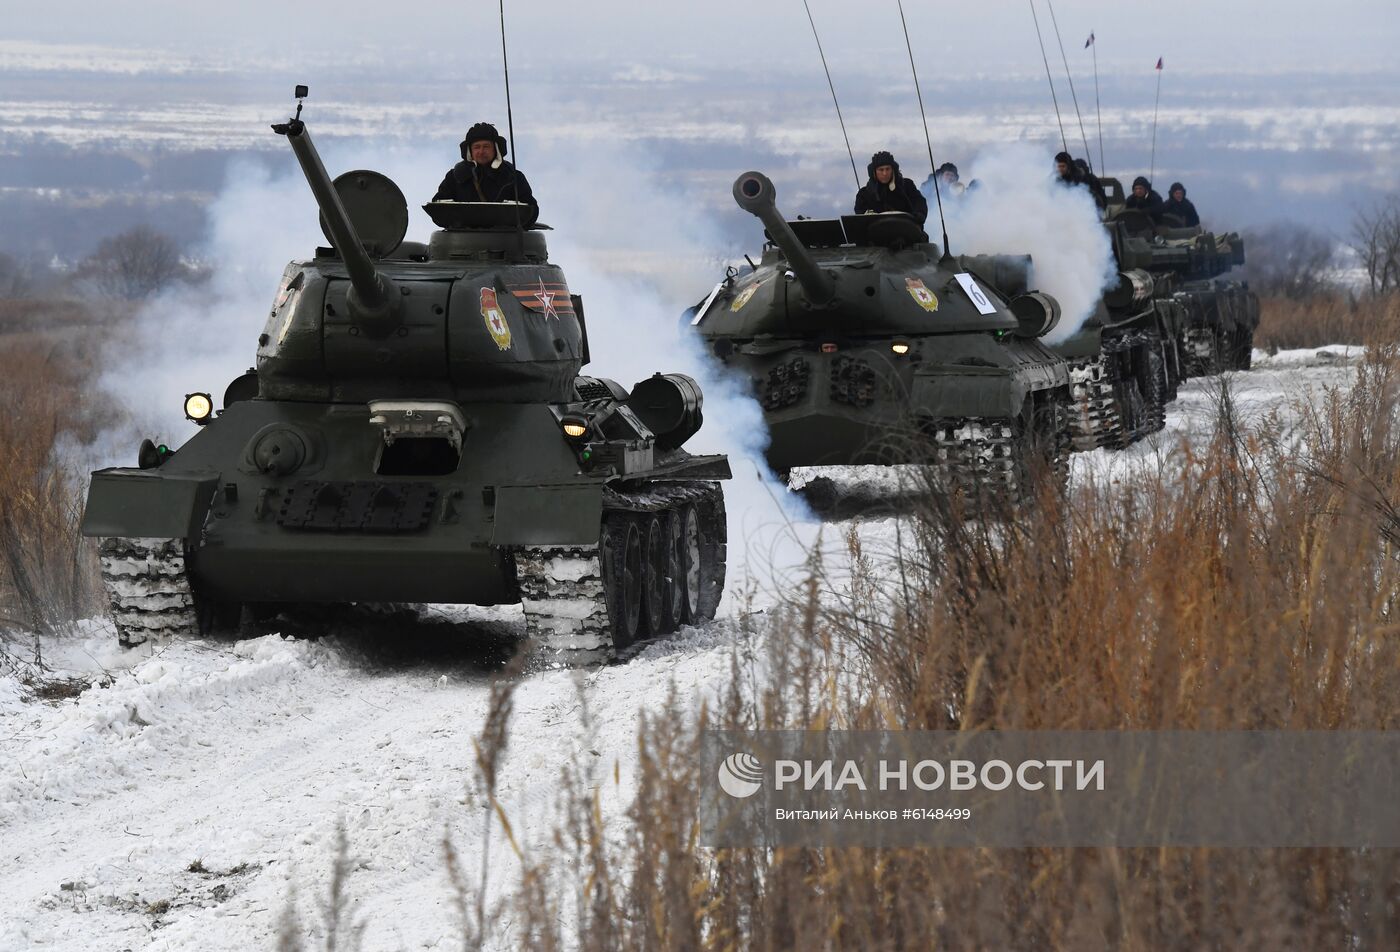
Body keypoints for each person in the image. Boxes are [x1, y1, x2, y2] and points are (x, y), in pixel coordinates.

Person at [432, 122, 538, 224]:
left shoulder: (512, 177)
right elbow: (438, 208)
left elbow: (531, 210)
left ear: (496, 149)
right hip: (463, 239)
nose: (481, 151)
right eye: (476, 147)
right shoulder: (455, 177)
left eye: (486, 146)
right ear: (470, 151)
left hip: (504, 239)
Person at [855, 151, 928, 224]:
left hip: (907, 231)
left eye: (888, 169)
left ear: (893, 170)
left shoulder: (907, 186)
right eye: (881, 170)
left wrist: (918, 215)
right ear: (874, 172)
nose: (885, 173)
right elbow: (860, 215)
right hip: (877, 233)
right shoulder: (864, 194)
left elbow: (919, 203)